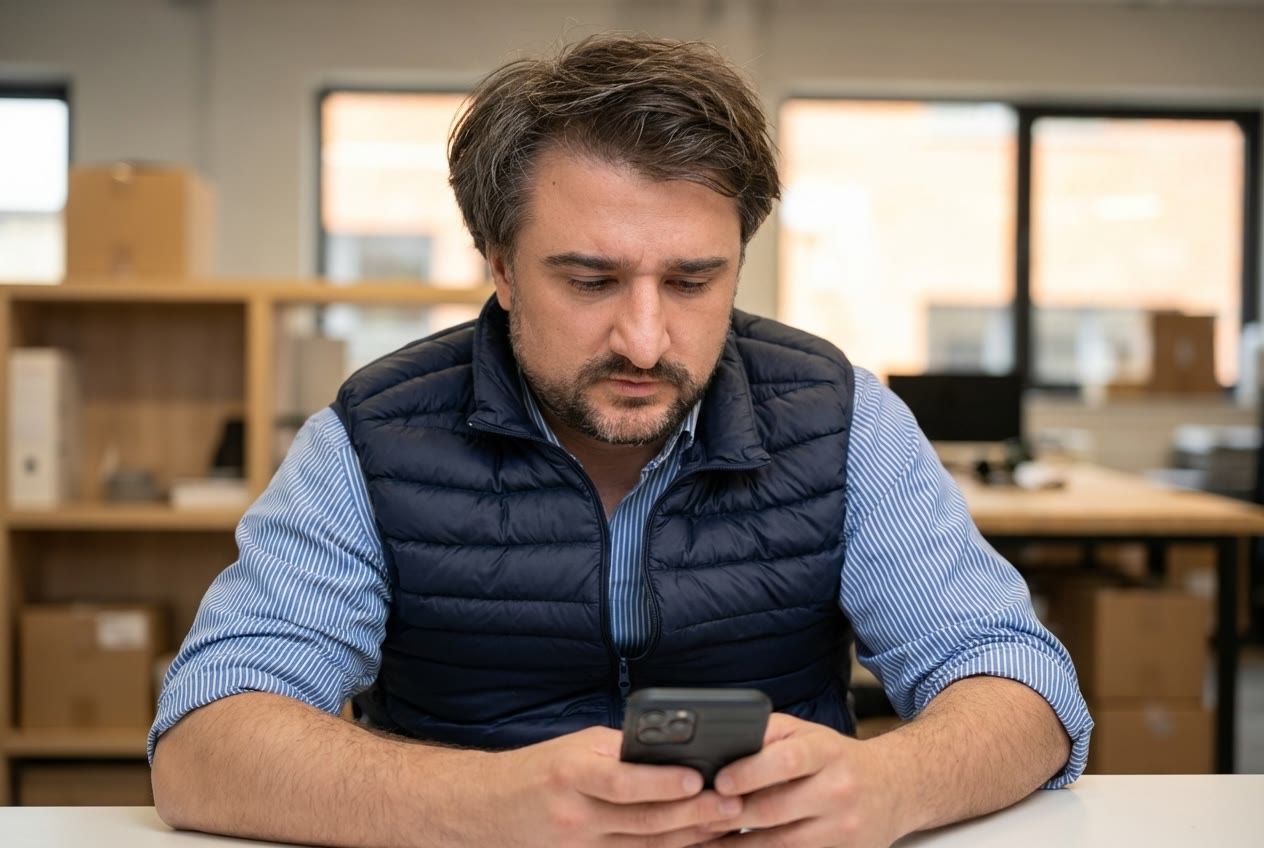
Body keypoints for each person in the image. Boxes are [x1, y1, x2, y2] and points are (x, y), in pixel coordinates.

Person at [151, 34, 1091, 848]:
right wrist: (485, 806)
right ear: (501, 267)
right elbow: (204, 742)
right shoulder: (369, 437)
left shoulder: (843, 419)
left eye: (691, 283)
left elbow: (1025, 688)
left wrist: (892, 785)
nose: (645, 340)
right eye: (590, 281)